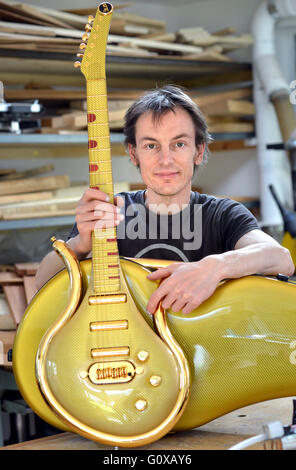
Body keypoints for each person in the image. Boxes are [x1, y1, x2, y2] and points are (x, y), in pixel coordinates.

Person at [35, 85, 294, 315]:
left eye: (179, 144)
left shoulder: (223, 215)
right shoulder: (112, 211)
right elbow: (43, 284)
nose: (166, 160)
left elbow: (280, 258)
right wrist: (79, 245)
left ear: (198, 150)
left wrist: (215, 267)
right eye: (151, 146)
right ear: (133, 153)